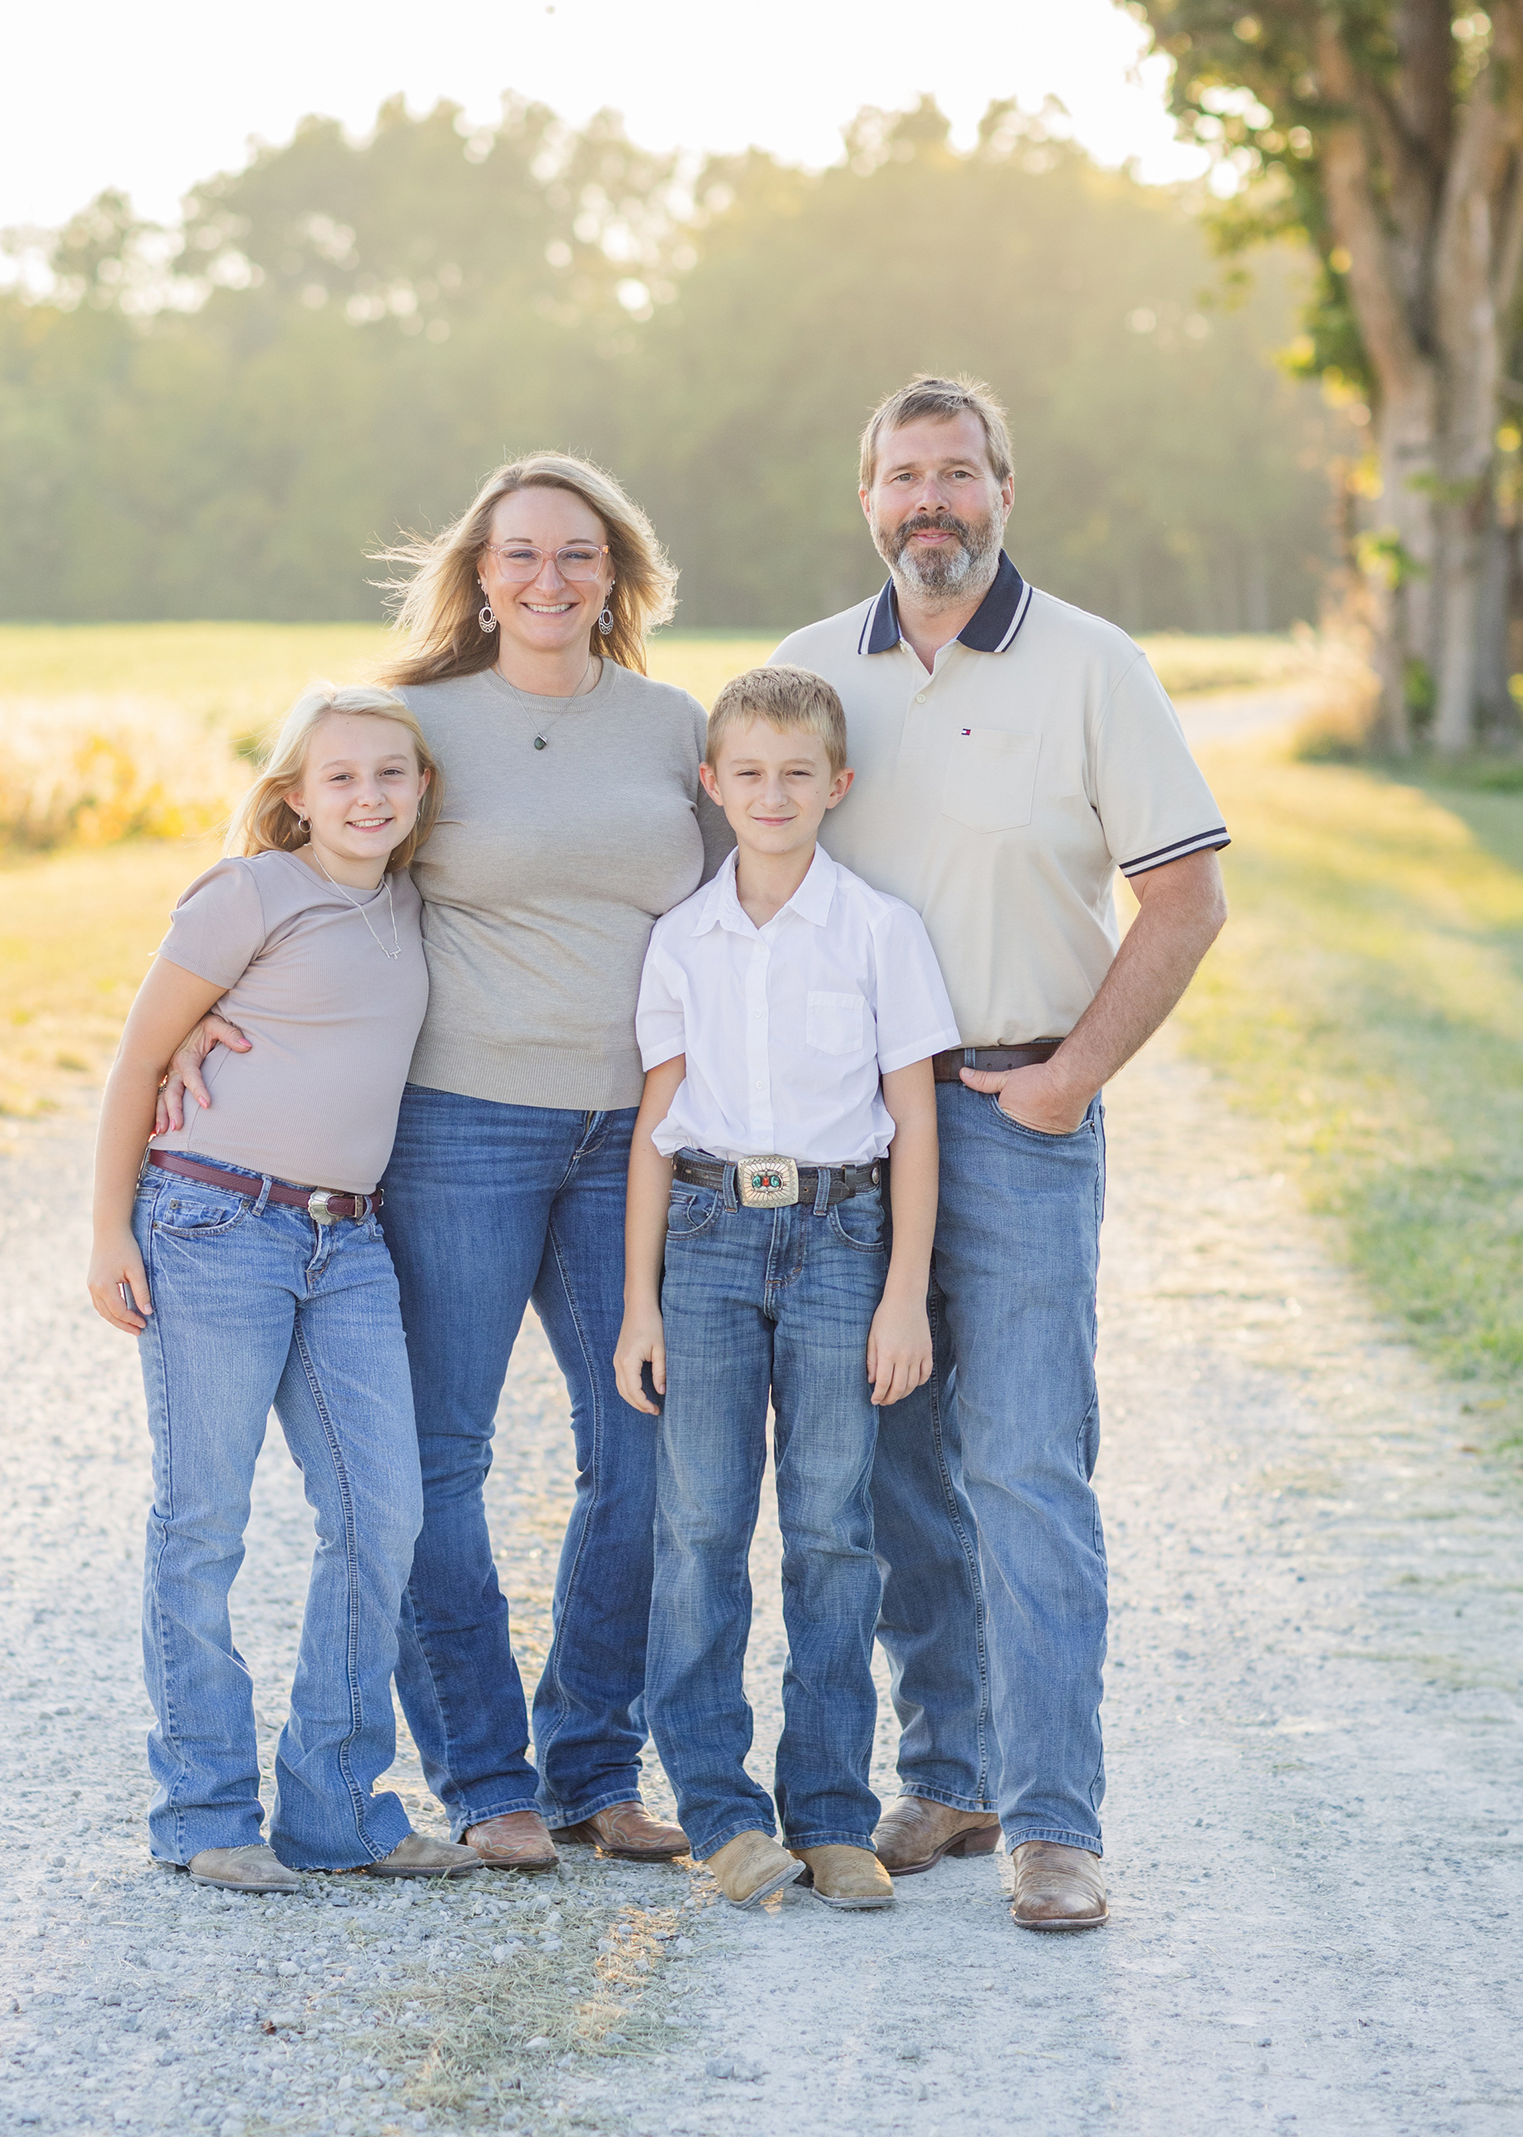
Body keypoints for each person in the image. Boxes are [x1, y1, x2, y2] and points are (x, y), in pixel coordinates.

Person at [160, 454, 729, 1871]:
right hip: (457, 1127)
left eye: (580, 555)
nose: (550, 578)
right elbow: (304, 865)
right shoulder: (418, 721)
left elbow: (745, 908)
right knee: (440, 1461)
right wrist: (209, 1025)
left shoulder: (671, 724)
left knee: (640, 1451)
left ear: (618, 575)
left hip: (632, 1141)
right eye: (520, 554)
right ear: (478, 575)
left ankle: (598, 1766)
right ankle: (488, 1778)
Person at [772, 375, 1229, 1931]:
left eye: (956, 474)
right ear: (867, 499)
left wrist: (1072, 1077)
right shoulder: (806, 673)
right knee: (896, 1468)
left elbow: (1186, 898)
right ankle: (949, 1773)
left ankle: (1055, 1824)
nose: (930, 502)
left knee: (1026, 1467)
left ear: (1004, 491)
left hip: (1018, 1114)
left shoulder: (1094, 666)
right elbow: (732, 898)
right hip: (849, 1140)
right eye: (903, 476)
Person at [87, 684, 483, 1891]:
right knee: (203, 1519)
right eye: (341, 777)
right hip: (214, 1224)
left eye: (391, 774)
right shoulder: (248, 891)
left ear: (421, 791)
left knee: (383, 1513)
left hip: (348, 1246)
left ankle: (336, 1810)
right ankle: (204, 1813)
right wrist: (109, 1226)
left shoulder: (416, 903)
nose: (368, 796)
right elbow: (140, 1059)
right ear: (295, 796)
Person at [614, 666, 957, 1913]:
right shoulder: (681, 940)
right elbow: (658, 1122)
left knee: (830, 1528)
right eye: (746, 774)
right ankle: (718, 1809)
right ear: (712, 785)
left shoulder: (877, 931)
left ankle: (829, 1812)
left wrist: (903, 1292)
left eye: (795, 774)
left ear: (836, 786)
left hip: (840, 1239)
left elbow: (912, 1123)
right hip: (704, 1238)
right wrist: (639, 1300)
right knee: (700, 1525)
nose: (770, 795)